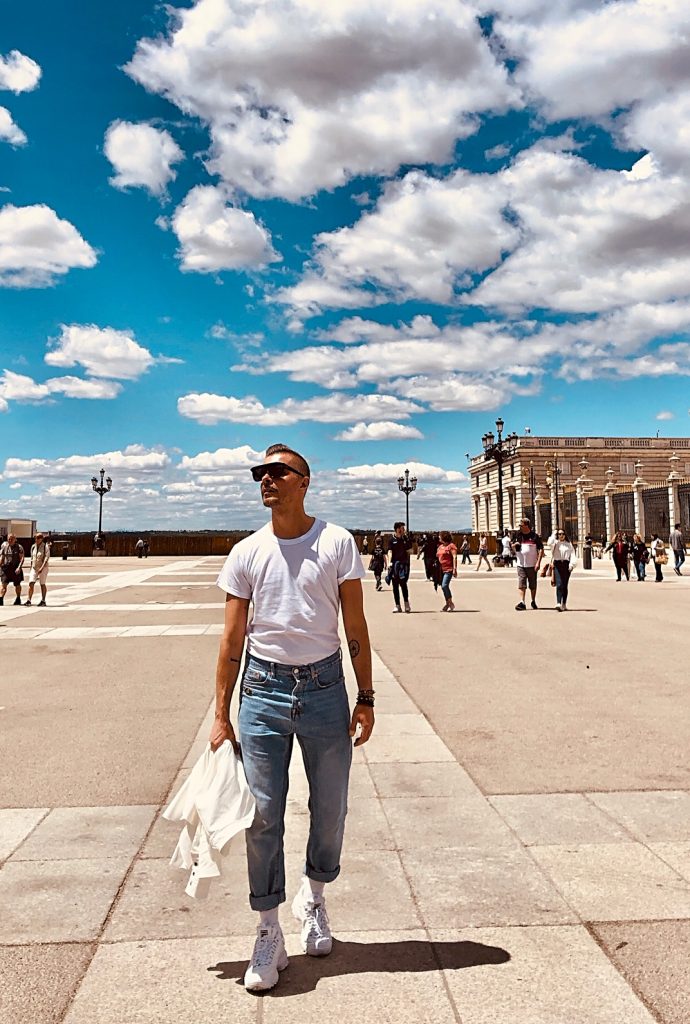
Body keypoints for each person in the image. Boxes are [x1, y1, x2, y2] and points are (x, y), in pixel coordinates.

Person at [211, 442, 374, 993]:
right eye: (261, 472)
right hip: (262, 689)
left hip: (326, 688)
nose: (267, 479)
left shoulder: (337, 542)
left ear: (304, 482)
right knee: (263, 815)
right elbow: (231, 639)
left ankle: (315, 897)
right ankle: (268, 929)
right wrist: (220, 714)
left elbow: (355, 624)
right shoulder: (246, 552)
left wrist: (366, 696)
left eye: (278, 472)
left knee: (331, 807)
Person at [511, 518, 544, 610]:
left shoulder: (534, 536)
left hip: (532, 564)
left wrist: (538, 562)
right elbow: (512, 546)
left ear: (527, 526)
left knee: (532, 584)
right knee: (522, 582)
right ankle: (522, 602)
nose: (520, 527)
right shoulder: (518, 535)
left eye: (522, 526)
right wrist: (513, 546)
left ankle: (533, 600)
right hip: (520, 564)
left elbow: (541, 549)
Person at [387, 522, 412, 612]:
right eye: (402, 528)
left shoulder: (405, 539)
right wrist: (389, 563)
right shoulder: (391, 540)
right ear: (397, 529)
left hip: (403, 565)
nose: (404, 530)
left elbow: (410, 551)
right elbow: (390, 551)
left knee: (403, 584)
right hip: (394, 565)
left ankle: (406, 603)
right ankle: (397, 605)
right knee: (395, 585)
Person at [550, 529, 576, 611]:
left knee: (564, 585)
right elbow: (549, 542)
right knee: (559, 584)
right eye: (559, 534)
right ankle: (558, 602)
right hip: (557, 564)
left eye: (562, 534)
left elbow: (572, 554)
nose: (561, 535)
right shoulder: (555, 543)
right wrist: (554, 533)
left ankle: (564, 603)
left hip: (566, 564)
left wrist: (572, 565)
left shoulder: (568, 544)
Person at [25, 532, 50, 606]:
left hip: (43, 567)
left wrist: (41, 568)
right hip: (34, 567)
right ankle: (29, 600)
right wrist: (31, 568)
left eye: (38, 538)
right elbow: (32, 558)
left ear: (42, 539)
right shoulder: (33, 546)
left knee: (42, 583)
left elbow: (46, 558)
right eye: (35, 538)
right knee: (31, 583)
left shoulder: (45, 547)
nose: (37, 539)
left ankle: (43, 600)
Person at [0, 534, 25, 606]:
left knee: (17, 584)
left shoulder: (19, 547)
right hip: (6, 568)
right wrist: (0, 565)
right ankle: (1, 599)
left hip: (15, 568)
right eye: (9, 539)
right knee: (3, 584)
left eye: (11, 539)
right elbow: (2, 557)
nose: (10, 540)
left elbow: (22, 558)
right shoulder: (4, 546)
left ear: (15, 539)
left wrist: (19, 567)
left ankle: (18, 598)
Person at [437, 530, 458, 611]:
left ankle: (450, 603)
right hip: (440, 569)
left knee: (444, 585)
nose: (439, 537)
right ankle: (447, 603)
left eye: (440, 536)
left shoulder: (451, 546)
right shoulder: (440, 547)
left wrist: (455, 569)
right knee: (443, 587)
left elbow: (454, 557)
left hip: (448, 569)